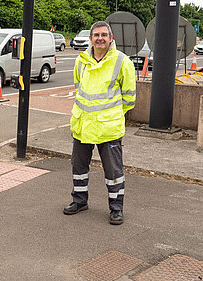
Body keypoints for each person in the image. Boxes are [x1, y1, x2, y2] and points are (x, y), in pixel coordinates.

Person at [63, 21, 136, 225]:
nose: (100, 38)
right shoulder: (81, 61)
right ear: (91, 38)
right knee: (78, 167)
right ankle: (79, 201)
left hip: (108, 128)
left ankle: (116, 208)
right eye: (96, 35)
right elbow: (79, 89)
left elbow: (130, 98)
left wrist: (111, 115)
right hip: (83, 124)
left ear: (111, 38)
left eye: (104, 34)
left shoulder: (122, 61)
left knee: (114, 171)